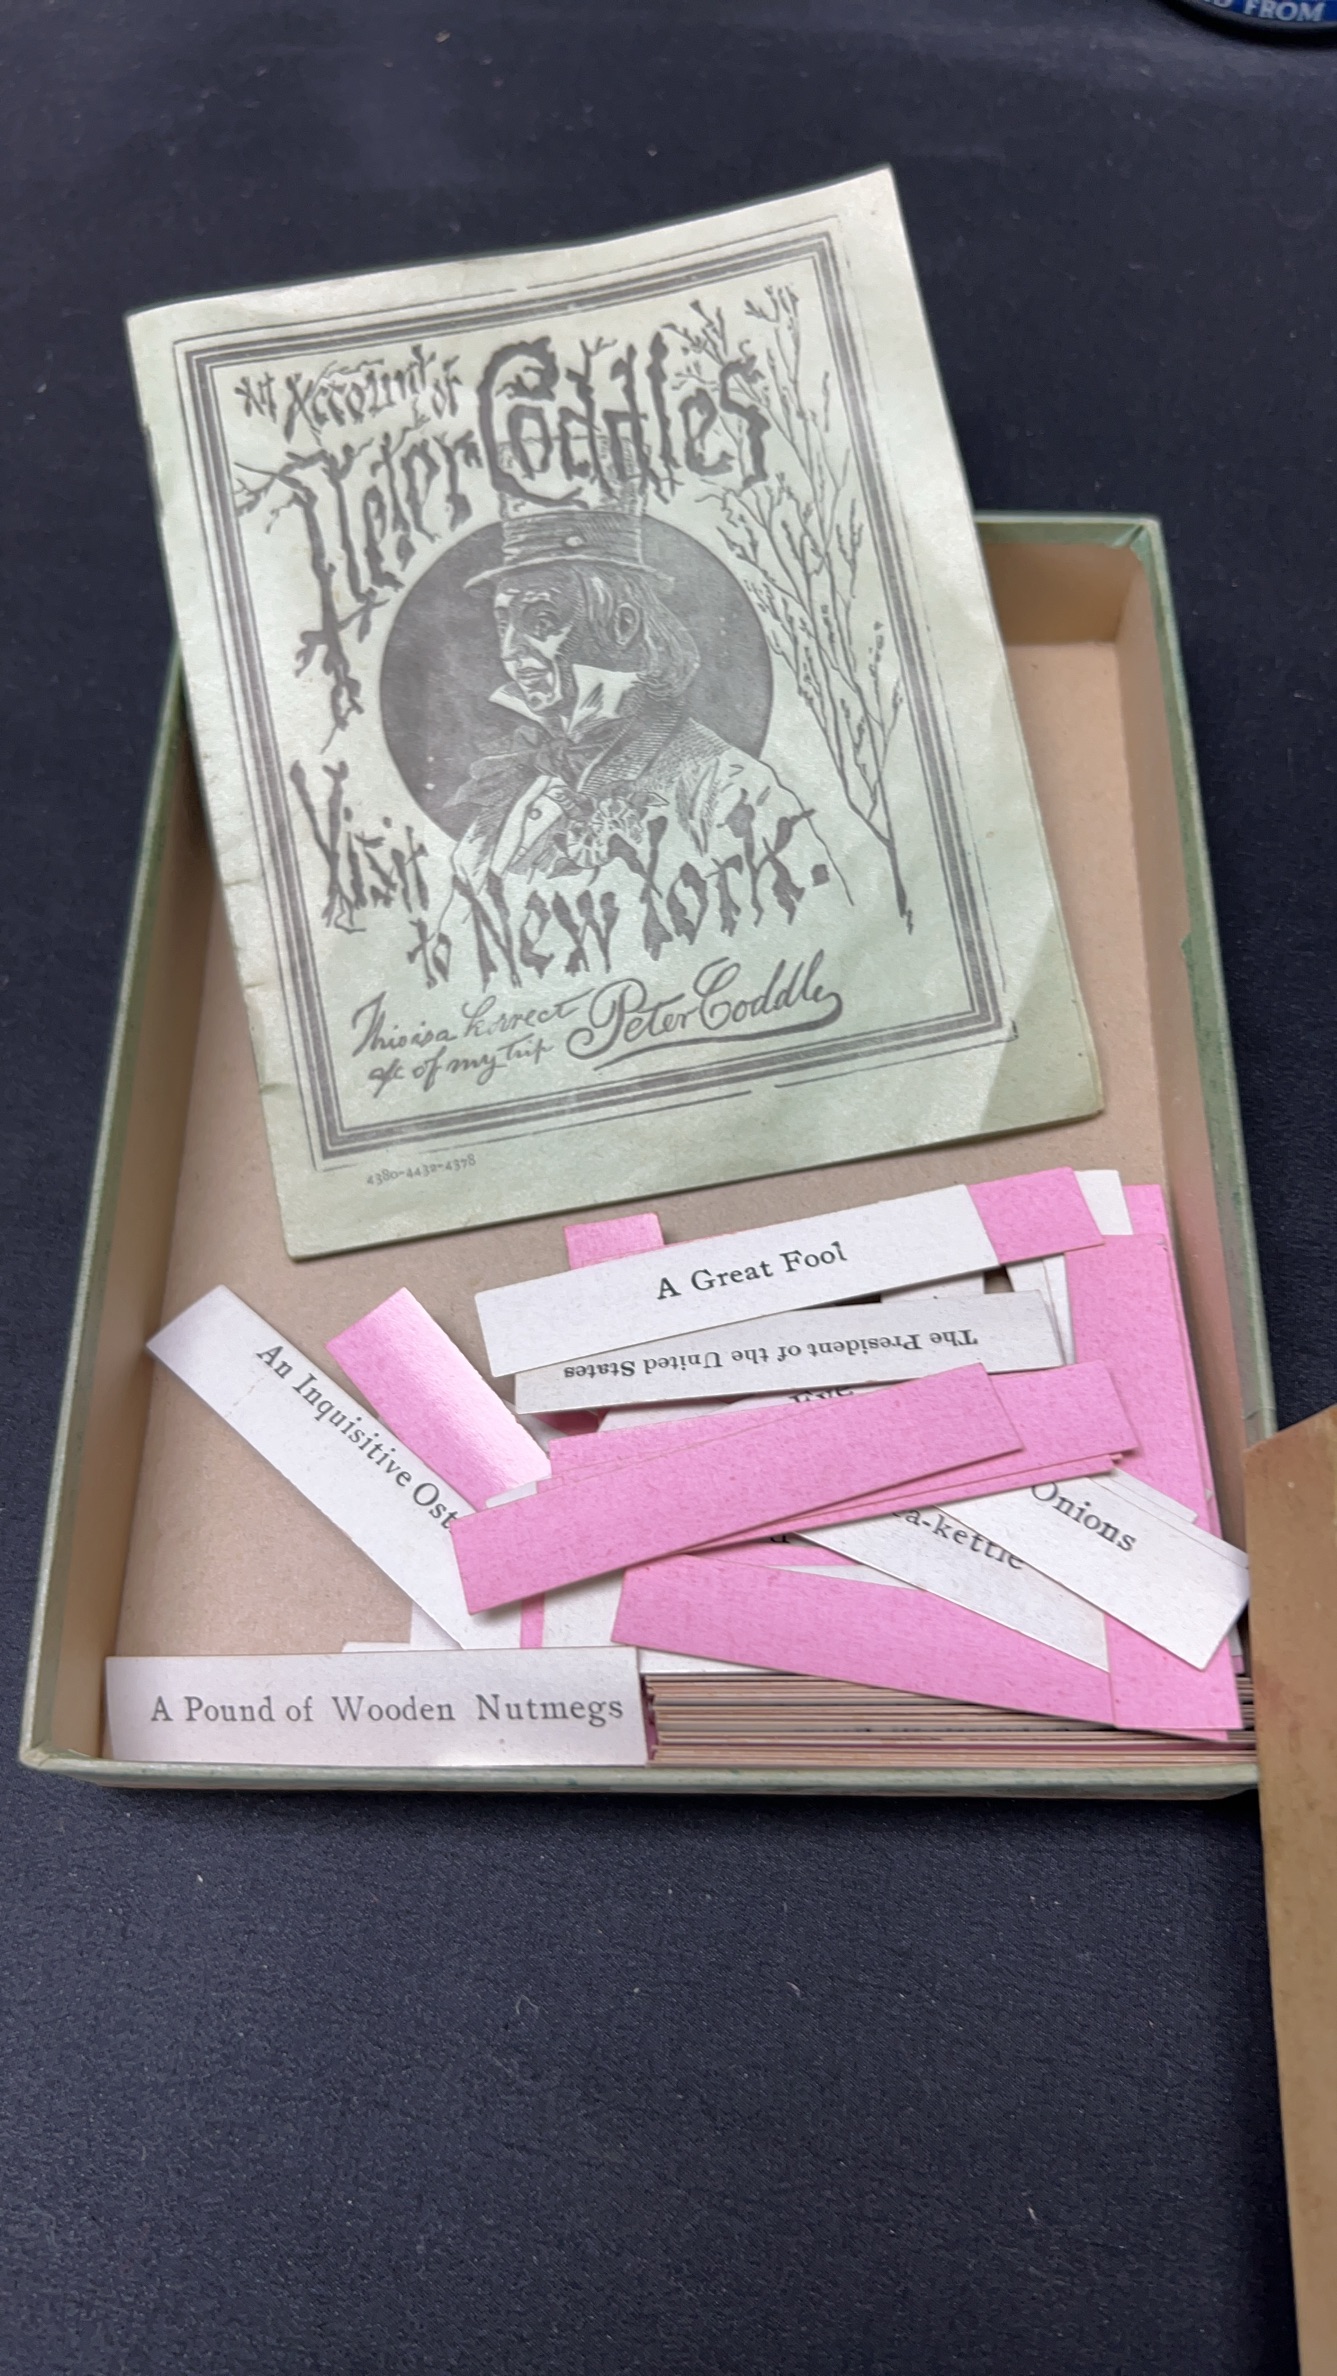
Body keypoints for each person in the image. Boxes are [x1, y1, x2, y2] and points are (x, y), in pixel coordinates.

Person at [444, 496, 847, 966]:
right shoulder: (518, 795)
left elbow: (820, 942)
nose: (511, 651)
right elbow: (457, 955)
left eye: (542, 621)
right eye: (504, 623)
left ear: (623, 626)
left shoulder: (728, 789)